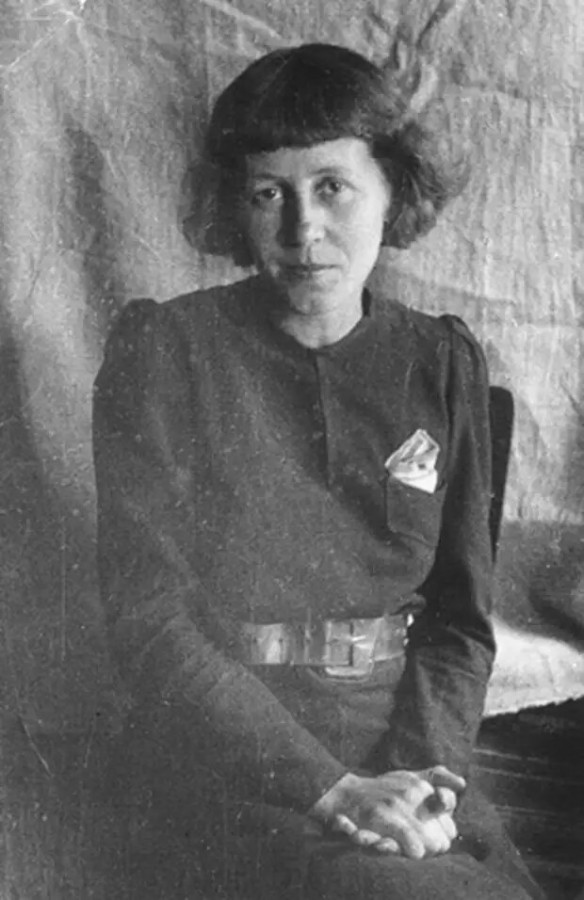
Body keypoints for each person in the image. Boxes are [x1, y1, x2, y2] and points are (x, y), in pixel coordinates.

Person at [93, 42, 545, 900]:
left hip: (403, 758)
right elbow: (150, 623)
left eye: (333, 186)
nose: (304, 231)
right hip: (228, 759)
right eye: (270, 193)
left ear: (391, 191)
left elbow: (459, 623)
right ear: (235, 206)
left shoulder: (441, 362)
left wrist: (419, 780)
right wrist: (334, 791)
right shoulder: (162, 353)